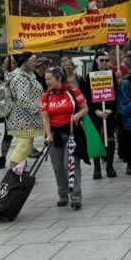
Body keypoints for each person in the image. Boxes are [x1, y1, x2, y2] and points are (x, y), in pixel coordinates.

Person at [40, 66, 89, 210]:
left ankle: (76, 196)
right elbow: (45, 118)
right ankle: (62, 194)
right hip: (55, 135)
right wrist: (48, 134)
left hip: (72, 133)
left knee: (71, 164)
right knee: (57, 166)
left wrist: (77, 116)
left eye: (49, 79)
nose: (47, 82)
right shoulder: (46, 96)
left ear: (59, 79)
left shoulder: (73, 91)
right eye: (46, 79)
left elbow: (85, 108)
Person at [1, 52, 43, 167]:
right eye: (34, 61)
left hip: (24, 118)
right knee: (22, 147)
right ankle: (12, 177)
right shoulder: (21, 77)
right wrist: (38, 110)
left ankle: (18, 175)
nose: (36, 63)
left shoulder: (25, 75)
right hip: (23, 119)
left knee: (25, 147)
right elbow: (23, 99)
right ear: (26, 62)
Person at [81, 51, 118, 179]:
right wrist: (96, 111)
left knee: (110, 139)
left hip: (109, 112)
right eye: (101, 60)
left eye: (106, 60)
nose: (104, 63)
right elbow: (88, 96)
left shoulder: (111, 75)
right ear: (96, 60)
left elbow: (115, 95)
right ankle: (97, 168)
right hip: (95, 112)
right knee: (96, 140)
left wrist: (110, 110)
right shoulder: (89, 76)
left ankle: (110, 166)